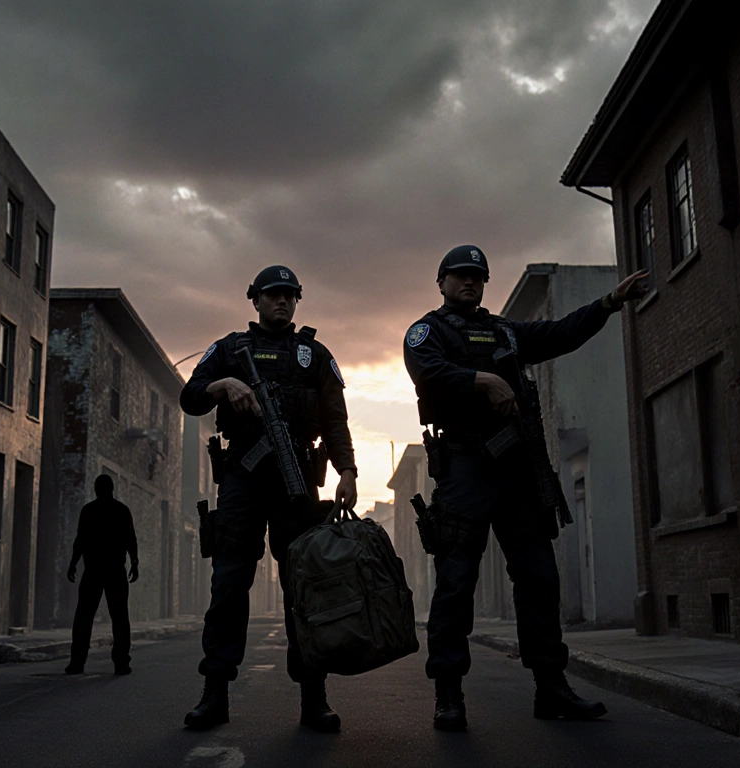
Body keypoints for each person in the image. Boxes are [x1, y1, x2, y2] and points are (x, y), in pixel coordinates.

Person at [403, 245, 649, 731]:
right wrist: (482, 380)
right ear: (442, 282)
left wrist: (607, 304)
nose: (470, 283)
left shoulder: (505, 332)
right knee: (455, 583)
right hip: (464, 469)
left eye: (478, 276)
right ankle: (448, 694)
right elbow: (426, 368)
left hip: (515, 468)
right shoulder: (426, 331)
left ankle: (551, 688)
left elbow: (559, 334)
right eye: (460, 276)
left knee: (539, 578)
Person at [179, 265, 359, 733]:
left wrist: (348, 471)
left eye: (289, 295)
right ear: (254, 299)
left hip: (297, 480)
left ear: (297, 301)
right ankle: (214, 694)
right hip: (242, 479)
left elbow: (337, 420)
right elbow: (190, 395)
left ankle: (313, 698)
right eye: (272, 294)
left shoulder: (314, 355)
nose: (282, 302)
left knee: (304, 588)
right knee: (229, 586)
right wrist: (224, 384)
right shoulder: (228, 350)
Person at [65, 474, 139, 676]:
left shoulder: (89, 510)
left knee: (84, 617)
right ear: (112, 489)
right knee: (120, 618)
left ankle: (77, 663)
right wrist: (134, 562)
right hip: (115, 570)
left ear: (97, 489)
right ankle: (121, 663)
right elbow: (130, 539)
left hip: (94, 570)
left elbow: (80, 540)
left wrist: (73, 563)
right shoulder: (121, 510)